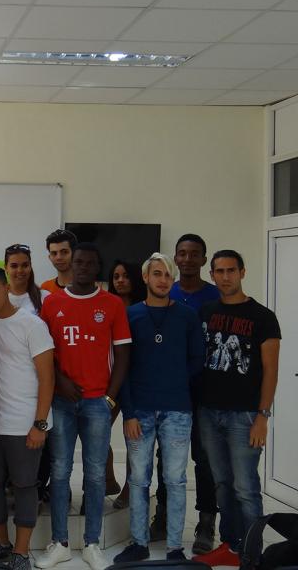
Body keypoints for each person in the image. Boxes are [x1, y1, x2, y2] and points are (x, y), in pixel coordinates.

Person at [36, 242, 131, 570]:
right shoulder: (52, 304)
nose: (83, 267)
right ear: (70, 265)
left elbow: (122, 355)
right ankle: (60, 542)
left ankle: (92, 543)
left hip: (96, 403)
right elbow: (44, 352)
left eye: (90, 263)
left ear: (97, 267)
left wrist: (110, 397)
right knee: (60, 472)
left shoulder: (112, 304)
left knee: (94, 475)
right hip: (61, 402)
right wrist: (60, 381)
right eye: (78, 262)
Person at [113, 253, 203, 563]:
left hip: (177, 409)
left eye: (168, 274)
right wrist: (129, 412)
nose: (163, 279)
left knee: (176, 480)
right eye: (157, 274)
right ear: (146, 278)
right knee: (138, 479)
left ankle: (175, 548)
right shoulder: (131, 316)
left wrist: (174, 381)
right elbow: (121, 367)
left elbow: (196, 360)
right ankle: (139, 542)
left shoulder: (188, 316)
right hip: (139, 410)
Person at [193, 250, 281, 567]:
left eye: (231, 270)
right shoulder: (205, 312)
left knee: (246, 487)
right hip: (208, 412)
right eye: (220, 271)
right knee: (222, 484)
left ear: (242, 272)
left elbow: (271, 371)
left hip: (244, 415)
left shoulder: (263, 317)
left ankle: (252, 554)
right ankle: (232, 546)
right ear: (212, 275)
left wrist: (263, 416)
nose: (226, 276)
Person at [0, 267, 55, 570]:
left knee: (23, 485)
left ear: (7, 287)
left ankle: (22, 553)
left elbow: (48, 378)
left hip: (25, 423)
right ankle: (2, 544)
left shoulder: (31, 324)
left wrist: (40, 424)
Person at [163, 233, 220, 553]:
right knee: (166, 457)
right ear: (175, 256)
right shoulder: (165, 291)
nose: (186, 259)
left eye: (193, 254)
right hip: (168, 389)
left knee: (204, 456)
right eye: (181, 253)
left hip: (204, 389)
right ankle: (163, 514)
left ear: (203, 259)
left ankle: (207, 520)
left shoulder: (214, 297)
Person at [106, 260, 146, 509]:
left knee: (134, 439)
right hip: (110, 381)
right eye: (116, 276)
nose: (120, 280)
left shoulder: (144, 307)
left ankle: (131, 489)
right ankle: (108, 479)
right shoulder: (106, 305)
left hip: (137, 381)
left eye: (125, 276)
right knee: (97, 433)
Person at [5, 243, 49, 315]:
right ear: (6, 268)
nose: (20, 270)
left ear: (30, 266)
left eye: (25, 265)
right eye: (14, 266)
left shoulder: (45, 297)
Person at [40, 229, 77, 295]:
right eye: (54, 253)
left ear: (75, 254)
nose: (59, 257)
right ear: (49, 257)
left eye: (64, 252)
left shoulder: (86, 288)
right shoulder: (45, 288)